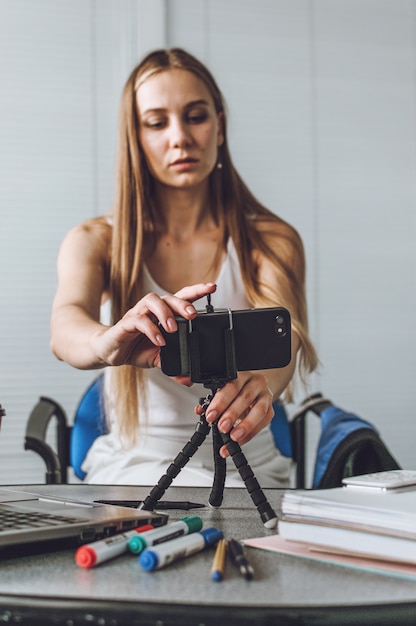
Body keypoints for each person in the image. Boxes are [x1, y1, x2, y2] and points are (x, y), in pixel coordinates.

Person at [50, 48, 318, 487]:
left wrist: (261, 384)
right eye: (157, 123)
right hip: (133, 467)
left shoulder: (272, 240)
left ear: (220, 124)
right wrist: (106, 342)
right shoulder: (94, 240)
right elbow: (65, 326)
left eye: (195, 117)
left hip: (246, 467)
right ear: (134, 136)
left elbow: (283, 339)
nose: (180, 137)